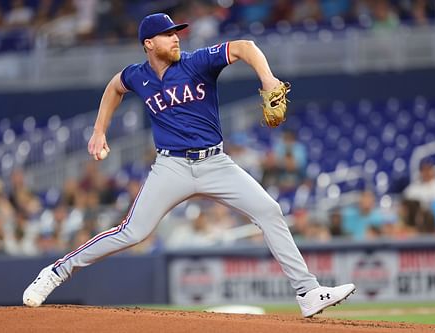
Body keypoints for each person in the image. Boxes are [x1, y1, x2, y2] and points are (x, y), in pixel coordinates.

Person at [23, 13, 355, 318]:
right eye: (168, 34)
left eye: (177, 33)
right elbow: (114, 87)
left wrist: (267, 79)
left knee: (269, 210)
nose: (176, 38)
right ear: (149, 44)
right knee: (132, 232)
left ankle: (308, 292)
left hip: (216, 163)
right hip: (171, 168)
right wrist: (99, 130)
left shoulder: (197, 62)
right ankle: (56, 272)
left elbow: (244, 47)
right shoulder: (137, 76)